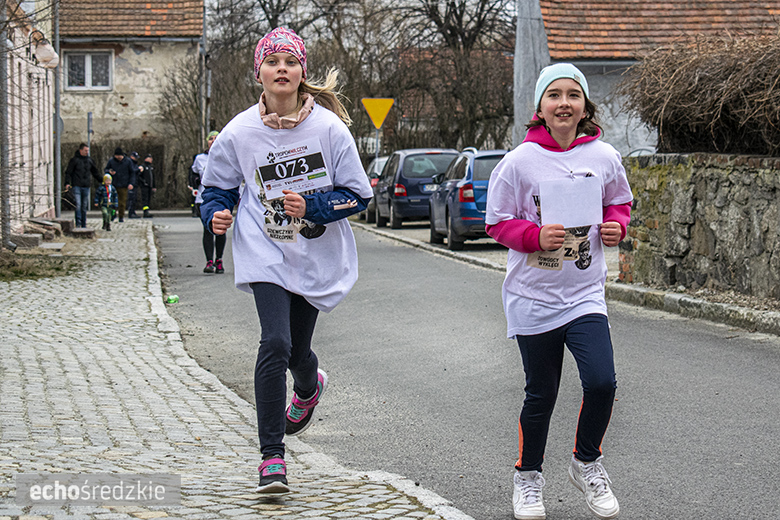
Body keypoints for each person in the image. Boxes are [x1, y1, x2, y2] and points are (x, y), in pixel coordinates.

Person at [199, 27, 373, 494]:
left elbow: (358, 195)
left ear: (301, 73)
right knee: (275, 342)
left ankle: (309, 386)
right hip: (265, 250)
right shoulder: (239, 131)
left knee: (297, 351)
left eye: (290, 61)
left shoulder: (329, 129)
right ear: (258, 72)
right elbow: (217, 187)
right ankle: (272, 458)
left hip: (314, 252)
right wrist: (216, 213)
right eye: (272, 61)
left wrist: (311, 206)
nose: (282, 69)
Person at [485, 63, 633, 520]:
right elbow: (496, 222)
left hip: (584, 293)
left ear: (585, 106)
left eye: (573, 94)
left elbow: (619, 201)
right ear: (541, 106)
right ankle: (528, 478)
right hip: (534, 296)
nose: (564, 103)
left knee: (602, 382)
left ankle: (586, 462)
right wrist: (533, 237)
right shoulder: (519, 162)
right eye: (554, 95)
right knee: (542, 393)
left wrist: (617, 227)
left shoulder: (604, 156)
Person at [191, 131, 226, 273]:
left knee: (220, 229)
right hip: (203, 199)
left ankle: (219, 259)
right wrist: (194, 182)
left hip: (221, 198)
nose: (213, 141)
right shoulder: (200, 158)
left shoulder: (226, 157)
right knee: (208, 229)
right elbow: (193, 173)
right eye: (211, 138)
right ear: (207, 142)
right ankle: (209, 261)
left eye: (216, 138)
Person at [64, 143, 102, 228]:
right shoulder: (74, 160)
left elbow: (95, 172)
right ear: (80, 150)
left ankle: (83, 223)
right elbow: (68, 172)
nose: (87, 152)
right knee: (78, 205)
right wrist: (67, 183)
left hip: (86, 186)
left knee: (84, 206)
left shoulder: (90, 160)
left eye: (88, 150)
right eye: (85, 150)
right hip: (76, 185)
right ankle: (78, 223)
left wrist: (102, 180)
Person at [104, 148, 136, 222]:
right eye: (117, 156)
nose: (118, 157)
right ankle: (113, 214)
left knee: (122, 202)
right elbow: (106, 169)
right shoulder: (111, 161)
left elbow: (132, 173)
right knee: (112, 201)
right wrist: (109, 171)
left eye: (120, 156)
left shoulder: (128, 161)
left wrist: (131, 183)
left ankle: (121, 216)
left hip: (124, 184)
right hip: (113, 184)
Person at [127, 151, 143, 218]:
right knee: (131, 199)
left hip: (135, 183)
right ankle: (131, 212)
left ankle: (133, 212)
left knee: (134, 199)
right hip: (131, 183)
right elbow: (132, 171)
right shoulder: (130, 163)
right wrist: (138, 169)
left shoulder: (134, 163)